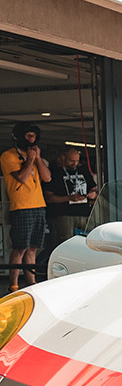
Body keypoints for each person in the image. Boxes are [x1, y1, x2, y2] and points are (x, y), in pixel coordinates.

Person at [1, 122, 51, 291]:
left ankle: (31, 281)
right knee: (20, 247)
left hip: (39, 205)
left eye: (34, 136)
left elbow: (47, 178)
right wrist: (30, 159)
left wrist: (37, 158)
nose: (32, 139)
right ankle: (13, 284)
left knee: (33, 247)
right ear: (20, 137)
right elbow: (22, 177)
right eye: (29, 136)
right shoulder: (8, 156)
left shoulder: (35, 156)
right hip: (21, 206)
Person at [43, 147, 97, 247]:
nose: (74, 164)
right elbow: (48, 197)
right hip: (65, 214)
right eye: (71, 161)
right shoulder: (56, 172)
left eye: (77, 161)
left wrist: (93, 194)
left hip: (85, 214)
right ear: (64, 158)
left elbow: (94, 188)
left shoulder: (83, 170)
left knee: (87, 244)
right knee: (66, 244)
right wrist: (68, 198)